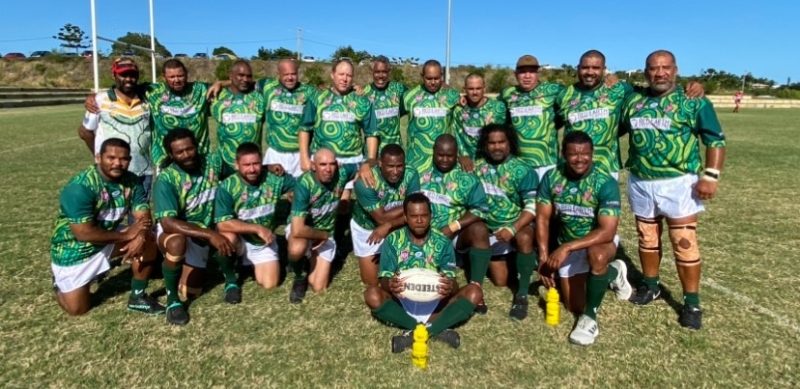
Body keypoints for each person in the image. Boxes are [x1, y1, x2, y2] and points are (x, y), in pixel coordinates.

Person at [620, 50, 726, 330]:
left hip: (679, 182)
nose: (660, 73)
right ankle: (651, 286)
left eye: (665, 67)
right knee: (647, 239)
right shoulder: (634, 99)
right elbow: (614, 95)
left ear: (675, 70)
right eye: (654, 68)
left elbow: (715, 139)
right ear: (645, 72)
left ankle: (691, 302)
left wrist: (711, 177)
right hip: (641, 180)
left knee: (684, 244)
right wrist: (610, 79)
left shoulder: (693, 101)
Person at [536, 131, 632, 345]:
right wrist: (543, 257)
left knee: (597, 256)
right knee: (574, 304)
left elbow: (607, 231)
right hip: (567, 243)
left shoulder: (604, 182)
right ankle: (614, 271)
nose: (579, 159)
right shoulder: (551, 177)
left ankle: (589, 319)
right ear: (563, 154)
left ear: (592, 153)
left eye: (585, 154)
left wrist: (566, 248)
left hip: (597, 242)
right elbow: (542, 219)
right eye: (573, 154)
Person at [50, 138, 162, 316]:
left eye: (124, 159)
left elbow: (144, 219)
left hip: (107, 236)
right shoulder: (80, 187)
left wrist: (140, 234)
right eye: (111, 158)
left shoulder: (132, 181)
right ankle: (59, 283)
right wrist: (128, 236)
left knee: (149, 238)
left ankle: (138, 298)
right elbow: (83, 233)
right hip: (74, 250)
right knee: (78, 310)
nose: (117, 163)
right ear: (98, 158)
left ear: (129, 160)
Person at [556, 50, 706, 181]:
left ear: (604, 70)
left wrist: (693, 85)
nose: (590, 72)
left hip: (606, 167)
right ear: (577, 68)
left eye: (596, 68)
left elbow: (653, 90)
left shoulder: (619, 89)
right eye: (585, 67)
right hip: (570, 165)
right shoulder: (563, 94)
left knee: (603, 212)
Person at [363, 193, 483, 353]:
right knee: (371, 294)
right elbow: (384, 278)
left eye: (423, 215)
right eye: (413, 216)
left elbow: (452, 283)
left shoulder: (442, 241)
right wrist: (390, 284)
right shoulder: (393, 240)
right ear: (405, 217)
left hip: (435, 304)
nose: (419, 220)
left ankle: (420, 332)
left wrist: (450, 287)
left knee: (475, 291)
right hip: (403, 300)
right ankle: (433, 329)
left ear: (430, 216)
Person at [153, 129, 234, 325]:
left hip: (202, 231)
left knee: (192, 291)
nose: (186, 154)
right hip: (178, 231)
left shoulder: (213, 162)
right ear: (171, 155)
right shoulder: (166, 179)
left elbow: (238, 176)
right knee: (177, 244)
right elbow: (167, 223)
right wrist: (209, 234)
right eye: (180, 152)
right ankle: (172, 300)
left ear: (197, 147)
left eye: (190, 149)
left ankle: (231, 280)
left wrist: (267, 167)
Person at [84, 59, 213, 171]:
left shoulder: (200, 89)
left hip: (199, 156)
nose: (177, 80)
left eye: (180, 76)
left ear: (186, 75)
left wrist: (221, 83)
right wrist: (94, 96)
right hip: (166, 160)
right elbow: (124, 86)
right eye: (172, 77)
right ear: (163, 77)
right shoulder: (152, 91)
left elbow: (232, 86)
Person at [419, 134, 492, 314]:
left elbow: (480, 209)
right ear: (433, 153)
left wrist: (453, 227)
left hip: (452, 234)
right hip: (422, 234)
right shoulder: (419, 172)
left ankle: (476, 286)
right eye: (440, 155)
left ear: (457, 155)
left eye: (450, 155)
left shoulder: (466, 178)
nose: (444, 159)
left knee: (480, 230)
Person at [473, 124, 539, 320]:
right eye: (491, 143)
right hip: (491, 234)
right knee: (501, 281)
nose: (496, 146)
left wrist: (512, 228)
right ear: (485, 145)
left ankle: (522, 294)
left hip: (516, 227)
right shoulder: (477, 167)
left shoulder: (522, 170)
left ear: (510, 143)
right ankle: (520, 260)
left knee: (525, 236)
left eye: (501, 141)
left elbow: (532, 207)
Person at [215, 142, 295, 291]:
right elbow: (222, 223)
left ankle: (249, 264)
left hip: (262, 243)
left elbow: (302, 187)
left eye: (256, 164)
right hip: (240, 240)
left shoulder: (275, 179)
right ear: (237, 165)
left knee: (270, 284)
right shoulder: (227, 186)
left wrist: (295, 196)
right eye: (246, 165)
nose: (252, 169)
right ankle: (231, 274)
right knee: (227, 237)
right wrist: (257, 228)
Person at [286, 148, 358, 303]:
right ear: (313, 166)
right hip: (305, 231)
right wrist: (323, 236)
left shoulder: (342, 173)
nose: (328, 169)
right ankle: (299, 277)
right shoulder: (304, 184)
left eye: (332, 164)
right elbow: (298, 229)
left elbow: (364, 166)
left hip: (326, 232)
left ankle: (308, 259)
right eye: (323, 164)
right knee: (297, 247)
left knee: (318, 287)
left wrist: (364, 169)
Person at [78, 58, 153, 198]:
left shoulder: (148, 99)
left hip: (142, 171)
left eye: (132, 75)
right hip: (110, 171)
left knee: (140, 216)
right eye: (123, 75)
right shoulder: (100, 100)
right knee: (108, 216)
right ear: (114, 76)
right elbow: (85, 132)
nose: (128, 79)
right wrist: (99, 156)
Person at [352, 144, 420, 286]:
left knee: (407, 276)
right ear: (380, 163)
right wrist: (409, 204)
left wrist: (389, 225)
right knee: (372, 283)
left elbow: (416, 210)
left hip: (398, 225)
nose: (395, 172)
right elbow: (381, 218)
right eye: (390, 166)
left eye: (400, 166)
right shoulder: (365, 182)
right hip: (368, 229)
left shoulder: (411, 174)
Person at [299, 59, 378, 175]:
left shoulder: (363, 101)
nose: (344, 79)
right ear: (332, 75)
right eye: (341, 74)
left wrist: (369, 161)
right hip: (322, 162)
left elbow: (371, 133)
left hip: (352, 162)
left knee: (346, 193)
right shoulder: (317, 98)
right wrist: (304, 158)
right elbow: (304, 129)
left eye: (349, 75)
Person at [498, 55, 564, 181]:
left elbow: (579, 95)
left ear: (538, 73)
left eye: (532, 72)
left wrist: (610, 80)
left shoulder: (554, 90)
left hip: (548, 163)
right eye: (522, 72)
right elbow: (491, 110)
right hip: (518, 164)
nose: (527, 76)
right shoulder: (507, 93)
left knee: (545, 201)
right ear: (515, 73)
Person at [210, 60, 266, 179]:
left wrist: (221, 82)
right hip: (225, 162)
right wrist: (219, 83)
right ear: (231, 75)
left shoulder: (260, 96)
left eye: (248, 76)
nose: (245, 79)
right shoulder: (216, 95)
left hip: (251, 163)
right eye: (241, 75)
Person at [403, 60, 461, 171]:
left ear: (442, 76)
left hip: (444, 162)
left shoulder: (452, 96)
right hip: (416, 161)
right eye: (429, 78)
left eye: (436, 78)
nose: (433, 82)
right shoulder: (408, 96)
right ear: (422, 76)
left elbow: (461, 125)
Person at [453, 73, 507, 173]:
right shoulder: (458, 110)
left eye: (478, 88)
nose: (475, 92)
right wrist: (460, 156)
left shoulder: (498, 108)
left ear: (484, 88)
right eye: (470, 89)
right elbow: (456, 135)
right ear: (464, 89)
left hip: (492, 165)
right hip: (467, 166)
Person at [360, 56, 407, 151]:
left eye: (384, 72)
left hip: (395, 154)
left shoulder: (399, 89)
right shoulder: (364, 93)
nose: (381, 76)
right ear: (371, 71)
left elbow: (418, 98)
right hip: (372, 154)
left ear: (389, 71)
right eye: (377, 72)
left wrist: (441, 89)